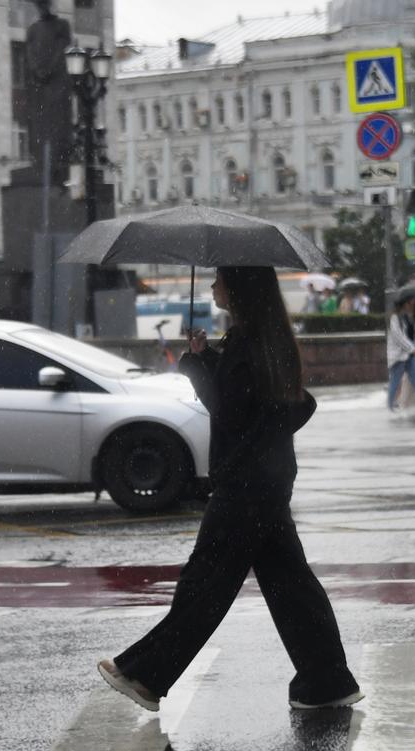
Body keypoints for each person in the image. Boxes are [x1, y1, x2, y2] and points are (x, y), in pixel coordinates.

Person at [98, 266, 362, 714]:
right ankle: (326, 679)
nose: (216, 286)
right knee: (290, 585)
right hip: (267, 482)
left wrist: (199, 365)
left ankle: (146, 674)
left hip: (245, 485)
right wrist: (206, 360)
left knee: (205, 584)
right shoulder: (266, 339)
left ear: (238, 289)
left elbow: (232, 412)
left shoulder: (249, 344)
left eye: (221, 279)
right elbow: (261, 406)